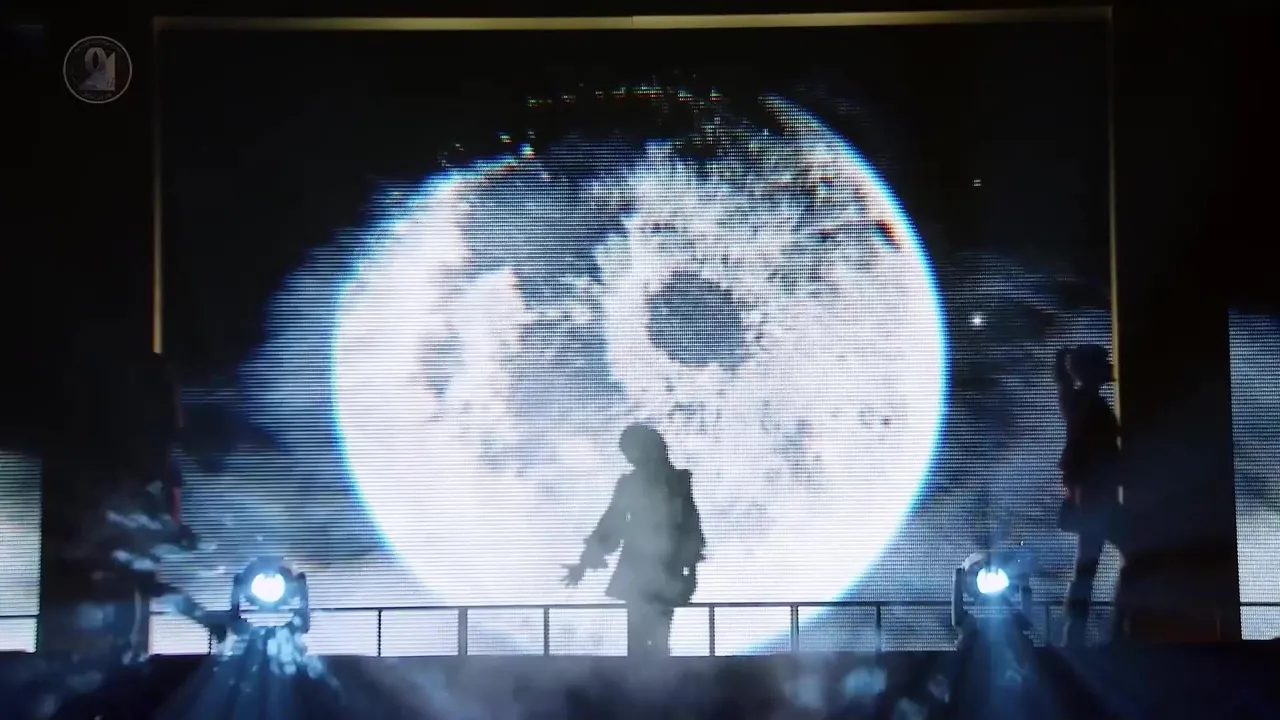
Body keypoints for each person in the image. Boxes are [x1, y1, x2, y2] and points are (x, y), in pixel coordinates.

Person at [561, 424, 706, 656]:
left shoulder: (673, 482)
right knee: (646, 640)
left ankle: (651, 671)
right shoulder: (649, 483)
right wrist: (584, 562)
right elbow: (612, 523)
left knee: (653, 639)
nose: (630, 459)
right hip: (650, 569)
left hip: (661, 569)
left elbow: (690, 525)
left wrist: (691, 570)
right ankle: (650, 671)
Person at [1053, 344, 1122, 647]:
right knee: (1089, 564)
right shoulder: (1084, 404)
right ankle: (1084, 631)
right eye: (1103, 362)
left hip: (1095, 494)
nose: (1109, 366)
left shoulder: (1081, 402)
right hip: (1094, 495)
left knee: (1087, 565)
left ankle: (1078, 631)